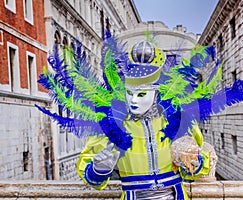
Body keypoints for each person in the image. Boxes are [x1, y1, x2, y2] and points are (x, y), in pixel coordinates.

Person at [76, 41, 210, 199]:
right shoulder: (111, 126)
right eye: (129, 93)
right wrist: (98, 170)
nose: (133, 101)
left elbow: (194, 172)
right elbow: (90, 175)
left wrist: (194, 163)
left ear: (156, 95)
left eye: (141, 94)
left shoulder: (179, 121)